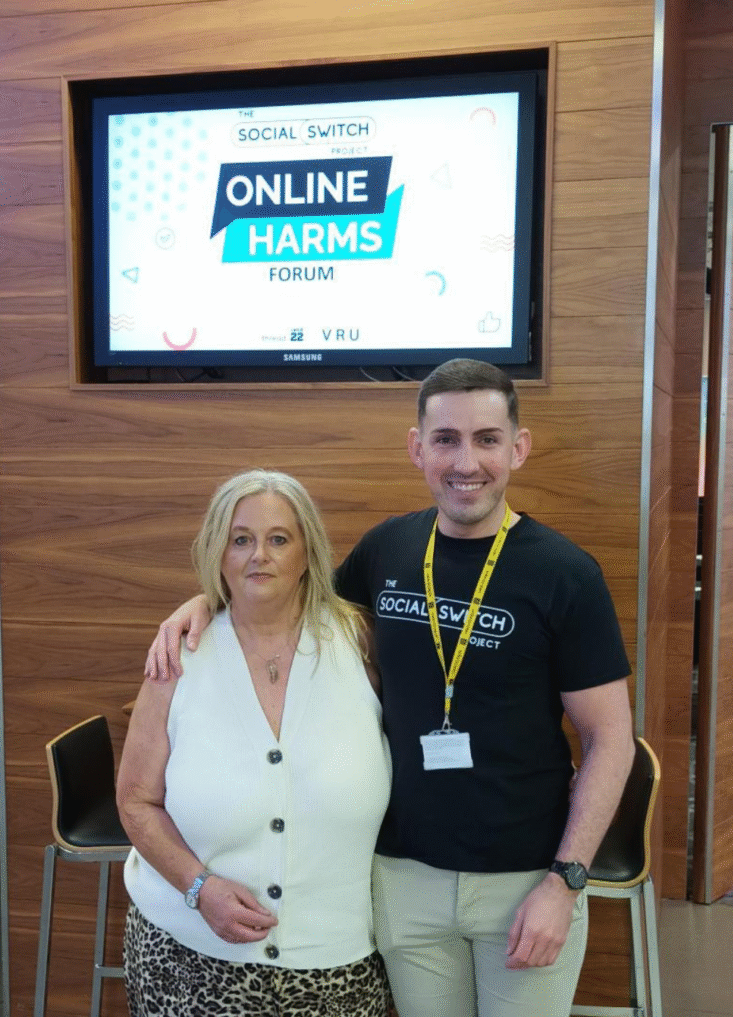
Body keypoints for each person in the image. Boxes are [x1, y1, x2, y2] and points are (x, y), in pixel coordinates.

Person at [144, 360, 636, 1017]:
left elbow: (610, 740)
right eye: (445, 440)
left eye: (487, 438)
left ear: (517, 447)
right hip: (402, 877)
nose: (466, 461)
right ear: (417, 449)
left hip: (524, 881)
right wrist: (202, 603)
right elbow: (288, 593)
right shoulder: (387, 552)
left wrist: (565, 882)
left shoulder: (566, 576)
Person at [118, 470, 393, 1017]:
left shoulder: (361, 643)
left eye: (278, 539)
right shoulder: (179, 657)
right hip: (187, 958)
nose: (258, 555)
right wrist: (199, 889)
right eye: (240, 539)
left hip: (337, 968)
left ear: (308, 552)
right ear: (218, 553)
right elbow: (135, 800)